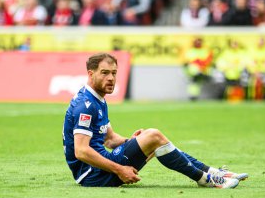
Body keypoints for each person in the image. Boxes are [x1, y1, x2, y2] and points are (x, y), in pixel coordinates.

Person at [62, 53, 248, 188]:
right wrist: (120, 169)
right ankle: (206, 180)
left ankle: (213, 173)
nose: (111, 78)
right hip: (91, 175)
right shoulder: (85, 105)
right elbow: (81, 151)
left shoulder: (97, 99)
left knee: (153, 139)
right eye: (104, 73)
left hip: (100, 169)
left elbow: (109, 139)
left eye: (114, 73)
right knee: (154, 136)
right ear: (90, 73)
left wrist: (130, 142)